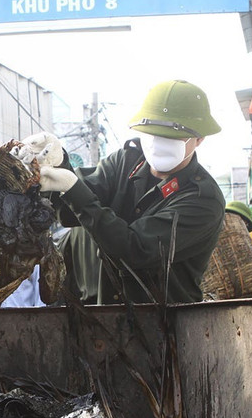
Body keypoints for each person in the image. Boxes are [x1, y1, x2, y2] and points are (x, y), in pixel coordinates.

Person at [17, 80, 226, 304]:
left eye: (172, 136)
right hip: (93, 312)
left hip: (160, 323)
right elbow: (71, 213)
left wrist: (73, 189)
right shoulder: (125, 162)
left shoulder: (202, 199)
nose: (157, 143)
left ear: (199, 139)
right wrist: (59, 163)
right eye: (151, 132)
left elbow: (135, 250)